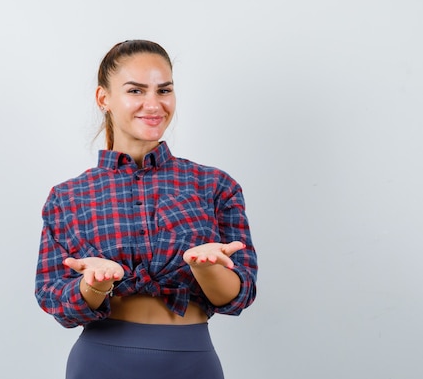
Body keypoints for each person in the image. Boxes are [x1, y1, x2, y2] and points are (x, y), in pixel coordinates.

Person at [35, 39, 258, 379]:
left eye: (163, 90)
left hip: (192, 363)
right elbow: (55, 300)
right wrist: (94, 285)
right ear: (103, 98)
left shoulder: (215, 185)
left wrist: (205, 267)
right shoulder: (67, 197)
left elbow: (241, 294)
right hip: (100, 363)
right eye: (136, 91)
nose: (153, 104)